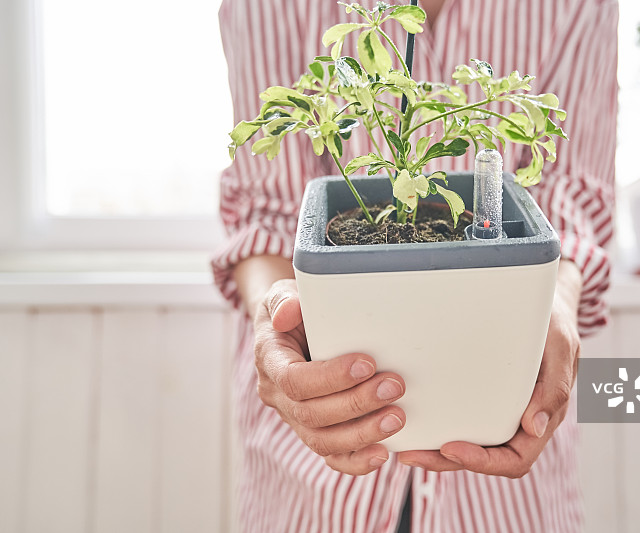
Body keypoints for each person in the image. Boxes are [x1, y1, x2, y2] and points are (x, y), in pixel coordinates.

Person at [213, 0, 618, 531]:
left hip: (505, 485)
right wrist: (278, 323)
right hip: (314, 482)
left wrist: (553, 300)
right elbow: (268, 214)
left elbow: (568, 197)